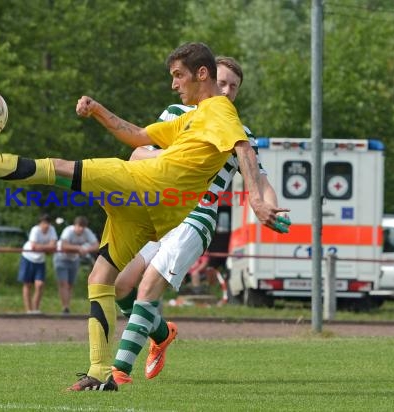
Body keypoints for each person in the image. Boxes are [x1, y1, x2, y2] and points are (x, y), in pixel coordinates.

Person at [0, 42, 288, 391]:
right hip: (151, 214)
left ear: (201, 74)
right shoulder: (193, 118)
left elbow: (243, 148)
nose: (174, 84)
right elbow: (139, 135)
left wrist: (256, 201)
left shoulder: (220, 110)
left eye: (179, 75)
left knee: (58, 168)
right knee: (102, 277)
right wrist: (98, 111)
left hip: (143, 187)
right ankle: (100, 373)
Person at [110, 56, 290, 385]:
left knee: (147, 288)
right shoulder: (175, 115)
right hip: (163, 212)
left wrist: (271, 209)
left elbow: (261, 180)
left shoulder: (240, 133)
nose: (227, 90)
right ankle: (161, 334)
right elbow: (136, 154)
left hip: (197, 216)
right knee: (120, 284)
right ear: (204, 78)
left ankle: (117, 375)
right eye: (222, 82)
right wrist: (178, 160)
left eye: (233, 87)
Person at [53, 216, 99, 314]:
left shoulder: (87, 232)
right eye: (79, 226)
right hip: (61, 259)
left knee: (70, 284)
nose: (81, 229)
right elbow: (64, 246)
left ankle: (67, 306)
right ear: (75, 225)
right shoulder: (68, 231)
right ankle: (65, 307)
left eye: (83, 227)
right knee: (63, 283)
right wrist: (79, 248)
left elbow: (96, 245)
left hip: (74, 260)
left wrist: (86, 249)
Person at [17, 214, 57, 314]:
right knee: (27, 284)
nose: (46, 225)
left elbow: (53, 246)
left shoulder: (52, 230)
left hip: (40, 260)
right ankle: (28, 310)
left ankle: (35, 309)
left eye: (48, 223)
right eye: (44, 223)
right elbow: (34, 247)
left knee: (40, 284)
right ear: (40, 224)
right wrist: (48, 247)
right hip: (28, 257)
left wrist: (43, 247)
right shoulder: (35, 230)